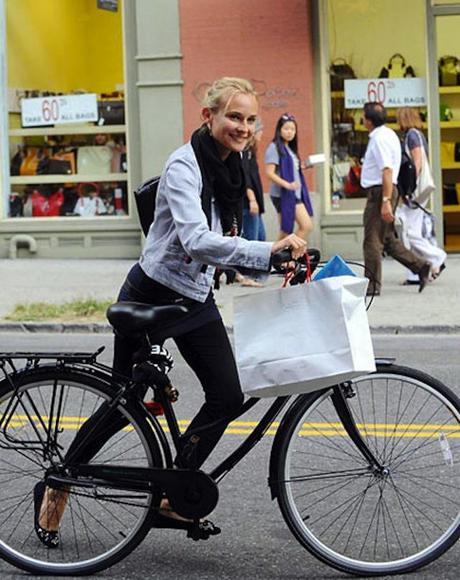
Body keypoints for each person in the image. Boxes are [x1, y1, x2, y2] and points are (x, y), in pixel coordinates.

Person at [34, 77, 307, 545]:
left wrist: (276, 258)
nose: (242, 127)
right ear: (209, 117)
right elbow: (195, 240)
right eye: (232, 117)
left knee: (227, 393)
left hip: (193, 296)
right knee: (124, 404)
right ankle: (58, 485)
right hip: (151, 295)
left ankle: (173, 491)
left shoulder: (232, 165)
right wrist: (267, 253)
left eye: (248, 119)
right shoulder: (186, 165)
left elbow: (224, 233)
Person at [360, 102, 431, 296]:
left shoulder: (379, 139)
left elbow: (387, 169)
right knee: (388, 240)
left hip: (380, 192)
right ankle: (421, 266)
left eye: (363, 116)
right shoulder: (389, 134)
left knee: (372, 241)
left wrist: (385, 200)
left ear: (368, 120)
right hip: (386, 190)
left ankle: (373, 286)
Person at [395, 106, 446, 285]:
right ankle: (418, 271)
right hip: (417, 190)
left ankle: (436, 257)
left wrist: (410, 186)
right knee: (412, 230)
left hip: (414, 190)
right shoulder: (418, 135)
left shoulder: (411, 135)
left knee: (409, 232)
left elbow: (417, 161)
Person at [265, 113, 314, 241]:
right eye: (286, 129)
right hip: (282, 193)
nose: (289, 132)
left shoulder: (289, 148)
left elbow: (290, 168)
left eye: (292, 129)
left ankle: (282, 257)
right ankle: (282, 256)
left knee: (288, 230)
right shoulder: (274, 147)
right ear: (279, 130)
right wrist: (287, 185)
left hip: (294, 193)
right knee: (300, 227)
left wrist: (301, 167)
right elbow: (269, 173)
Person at [238, 117, 266, 287]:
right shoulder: (243, 151)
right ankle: (248, 276)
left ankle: (256, 275)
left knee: (261, 238)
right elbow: (245, 178)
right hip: (248, 204)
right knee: (252, 240)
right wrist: (252, 200)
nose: (262, 134)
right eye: (260, 131)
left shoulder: (250, 151)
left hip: (255, 204)